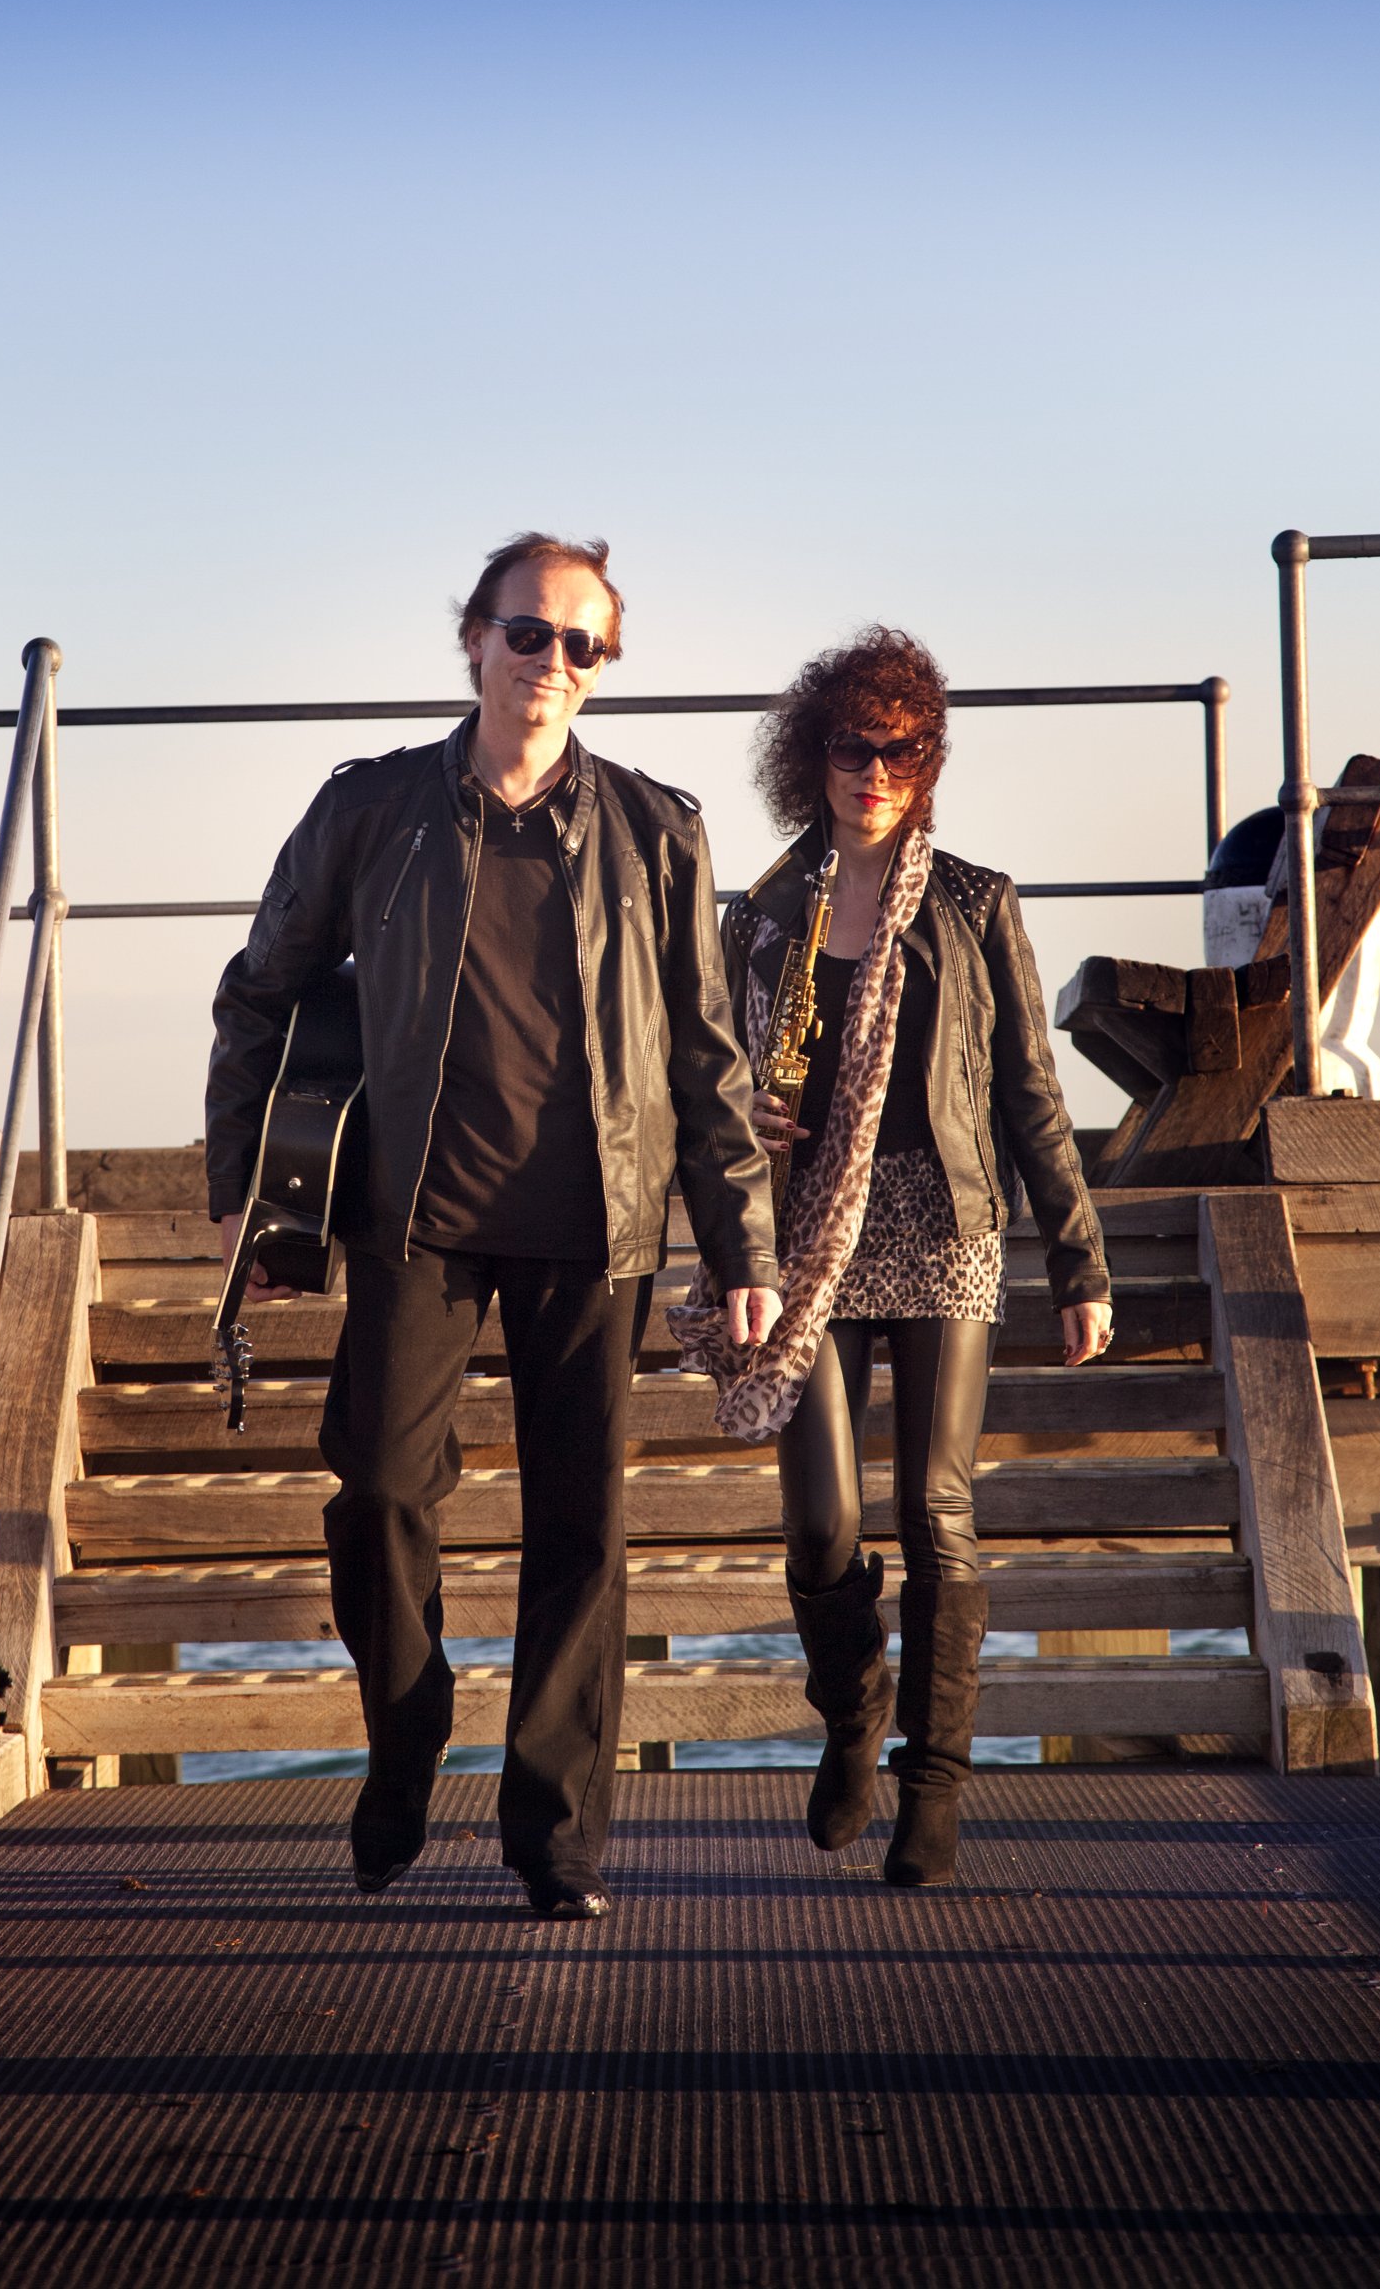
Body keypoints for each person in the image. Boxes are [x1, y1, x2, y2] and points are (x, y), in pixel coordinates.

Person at [205, 534, 780, 1920]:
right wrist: (253, 1197)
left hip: (598, 1223)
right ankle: (405, 1744)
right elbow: (259, 987)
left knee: (583, 1528)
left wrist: (744, 1244)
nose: (554, 664)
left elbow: (706, 1054)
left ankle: (555, 1832)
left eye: (584, 645)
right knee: (383, 1494)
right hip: (417, 1215)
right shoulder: (373, 810)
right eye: (532, 634)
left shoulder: (657, 829)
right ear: (473, 639)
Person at [674, 626, 1111, 1890]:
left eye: (899, 748)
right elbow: (699, 1085)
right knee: (821, 1525)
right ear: (809, 756)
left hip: (941, 1226)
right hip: (807, 1231)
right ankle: (852, 1708)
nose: (873, 769)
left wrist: (1077, 1265)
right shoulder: (757, 916)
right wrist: (742, 1117)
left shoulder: (973, 903)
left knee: (934, 1513)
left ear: (928, 760)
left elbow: (1030, 1090)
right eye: (851, 746)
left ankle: (934, 1777)